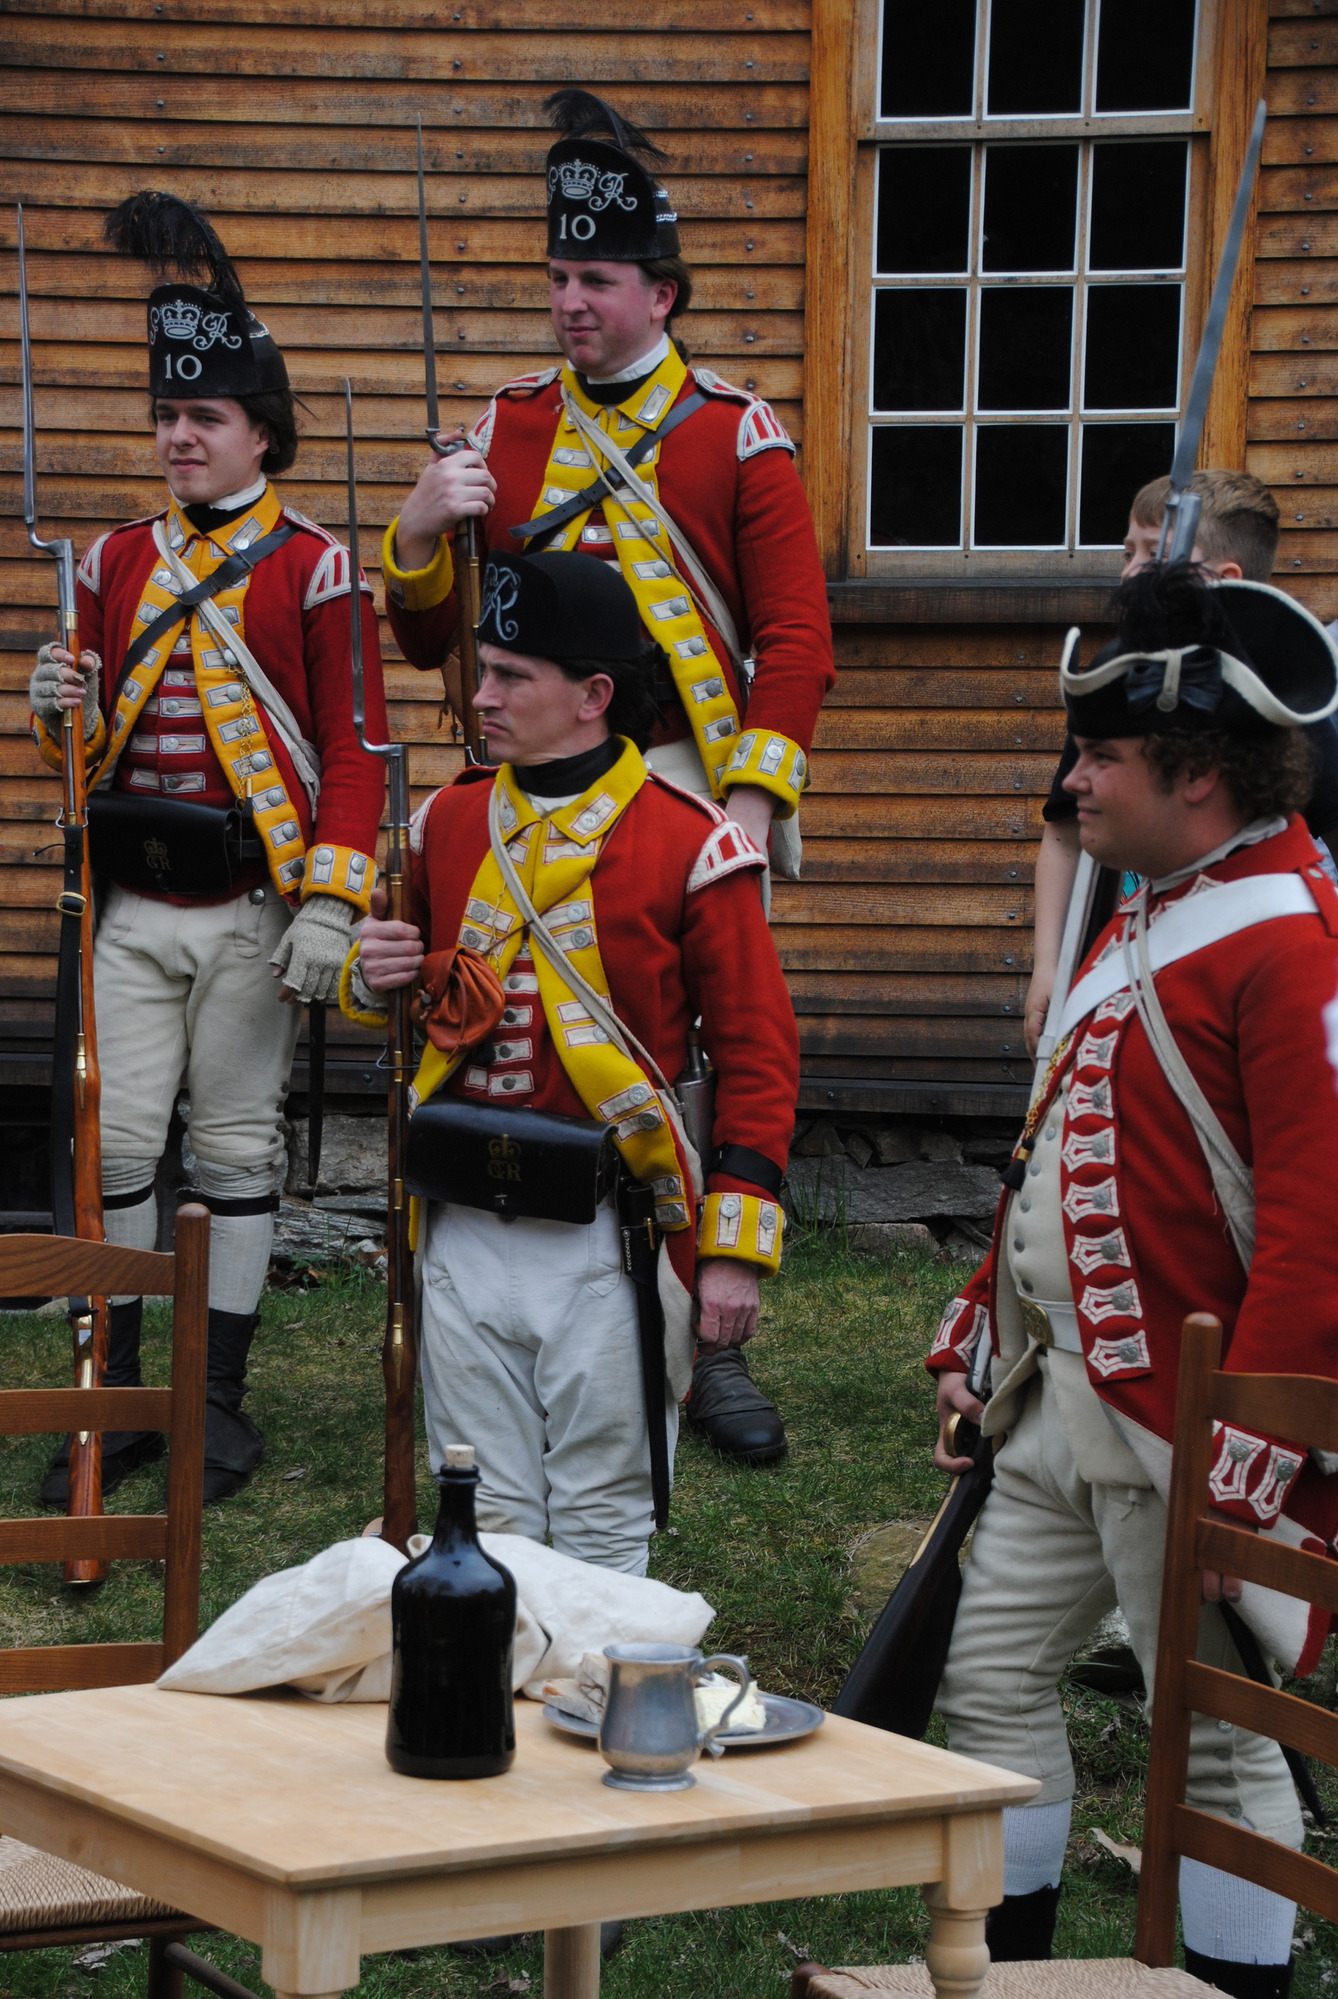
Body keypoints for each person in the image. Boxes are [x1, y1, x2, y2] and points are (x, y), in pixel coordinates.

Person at [380, 88, 834, 1469]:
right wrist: (416, 534)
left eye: (595, 279)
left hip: (682, 772)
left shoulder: (730, 432)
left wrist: (750, 797)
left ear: (660, 290)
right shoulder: (502, 425)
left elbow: (796, 632)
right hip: (530, 771)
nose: (568, 303)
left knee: (691, 1053)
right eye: (558, 278)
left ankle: (704, 1328)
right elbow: (434, 637)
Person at [927, 561, 1338, 1996]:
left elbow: (1316, 1216)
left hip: (1184, 1426)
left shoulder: (1286, 936)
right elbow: (1061, 1131)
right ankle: (1002, 1973)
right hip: (1060, 1404)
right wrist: (987, 1318)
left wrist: (1252, 1453)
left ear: (1199, 776)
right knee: (982, 1685)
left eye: (1099, 755)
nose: (1073, 782)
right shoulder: (1148, 905)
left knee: (1216, 1736)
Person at [28, 192, 388, 1504]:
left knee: (233, 1152)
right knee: (117, 1148)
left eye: (207, 419)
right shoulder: (113, 559)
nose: (181, 437)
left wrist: (332, 908)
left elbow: (355, 752)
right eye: (168, 419)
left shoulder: (314, 570)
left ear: (260, 432)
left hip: (253, 905)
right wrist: (50, 703)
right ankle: (118, 1394)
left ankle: (213, 1402)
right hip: (131, 905)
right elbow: (74, 754)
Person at [347, 548, 799, 1577]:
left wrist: (732, 1246)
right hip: (461, 1213)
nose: (482, 694)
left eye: (512, 675)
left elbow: (759, 1054)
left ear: (594, 695)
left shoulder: (693, 841)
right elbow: (400, 1001)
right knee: (484, 1510)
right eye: (484, 667)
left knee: (603, 1519)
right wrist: (374, 973)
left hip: (609, 1230)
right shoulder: (446, 819)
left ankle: (601, 1717)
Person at [1026, 468, 1338, 1055]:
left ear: (1225, 579)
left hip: (1239, 966)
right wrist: (1049, 965)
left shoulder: (1281, 704)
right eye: (1129, 552)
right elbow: (1065, 836)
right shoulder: (1111, 683)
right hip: (1110, 960)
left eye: (1155, 554)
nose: (1132, 571)